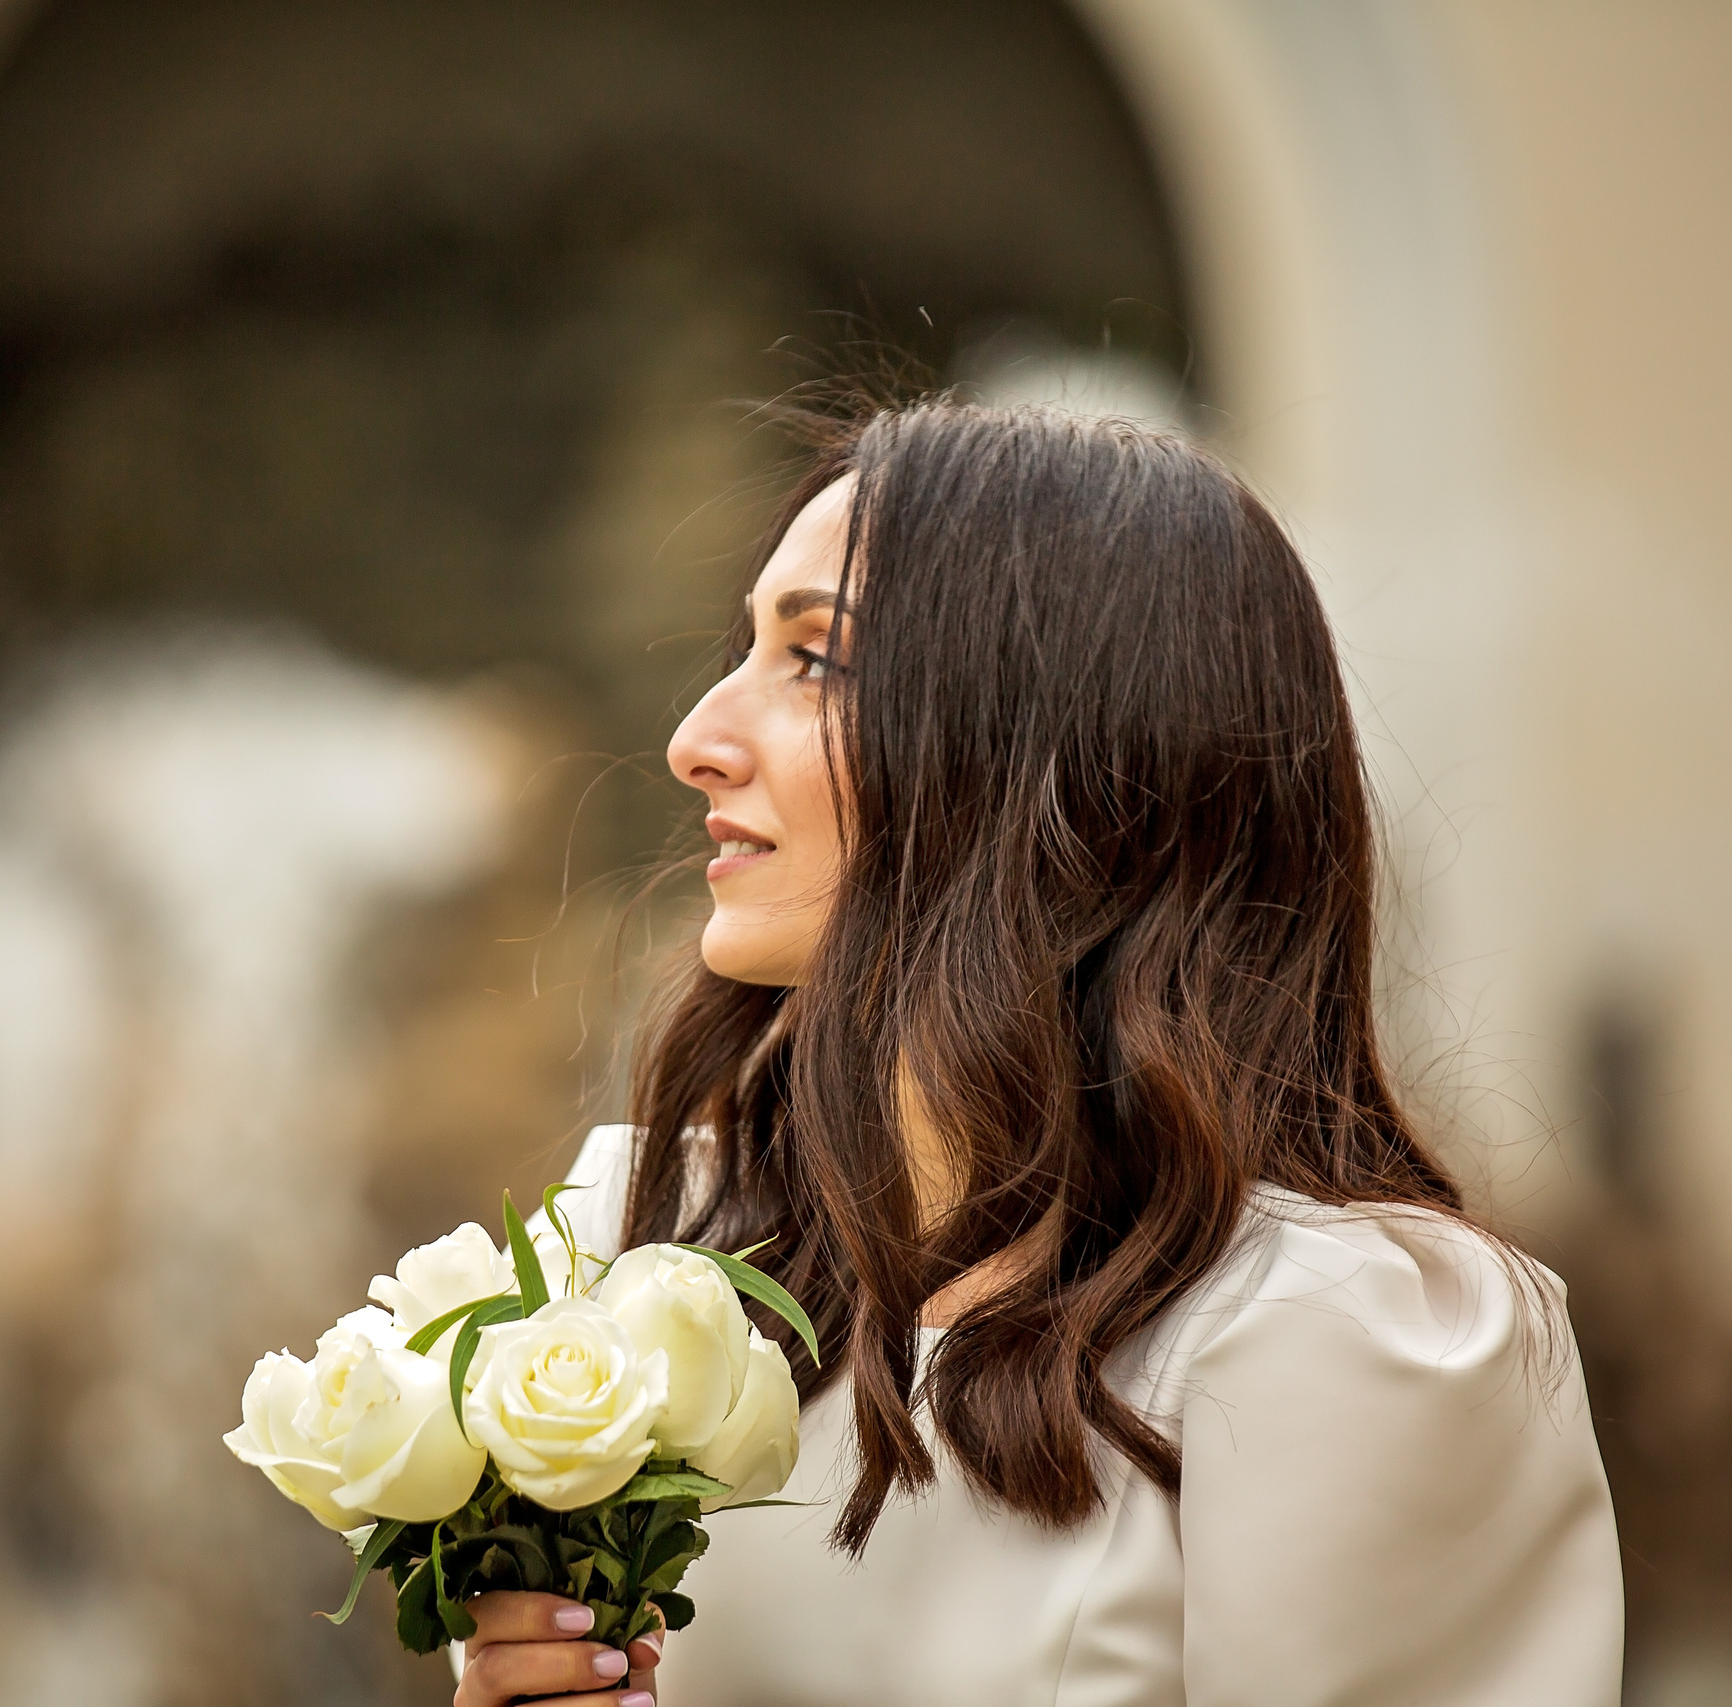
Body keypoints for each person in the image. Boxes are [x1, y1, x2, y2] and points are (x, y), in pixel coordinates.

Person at [453, 400, 1623, 1706]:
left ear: (1045, 754)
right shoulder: (645, 1243)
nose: (696, 740)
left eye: (817, 663)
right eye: (747, 652)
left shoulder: (1337, 1339)